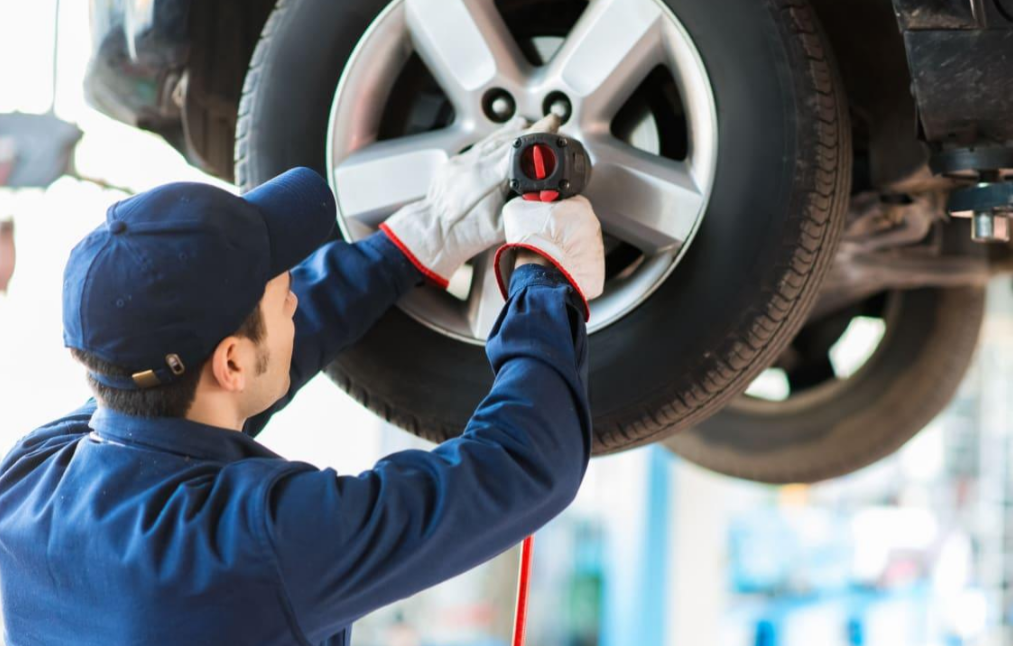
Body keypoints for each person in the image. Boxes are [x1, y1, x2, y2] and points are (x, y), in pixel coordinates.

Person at [0, 114, 605, 646]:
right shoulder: (255, 546)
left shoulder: (27, 482)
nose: (296, 296)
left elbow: (204, 392)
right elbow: (524, 466)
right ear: (231, 362)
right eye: (283, 290)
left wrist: (410, 245)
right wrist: (544, 279)